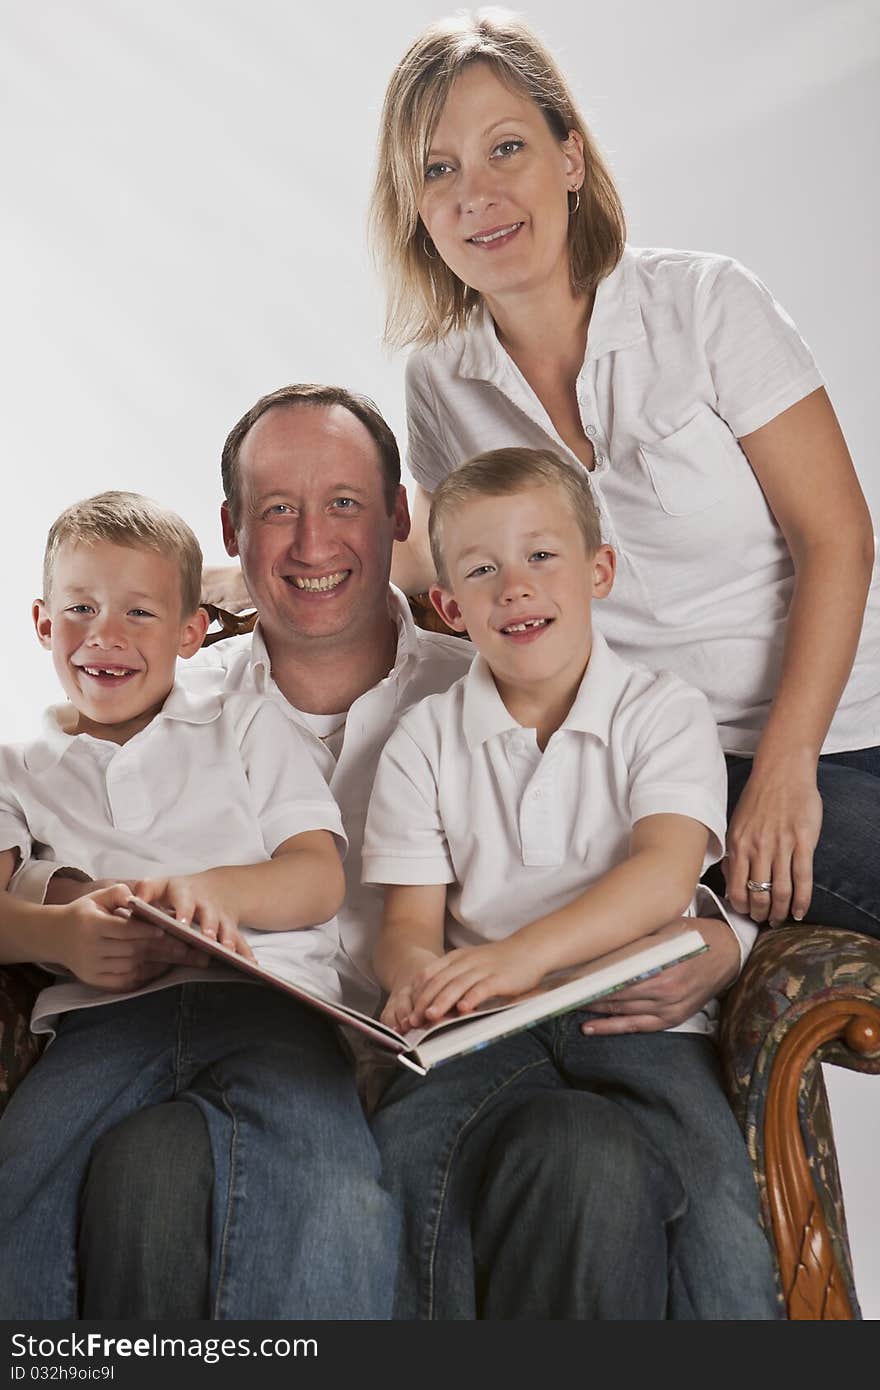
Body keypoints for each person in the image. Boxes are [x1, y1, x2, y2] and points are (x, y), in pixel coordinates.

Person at [16, 385, 751, 1318]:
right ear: (233, 532)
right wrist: (75, 899)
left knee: (600, 1168)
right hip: (262, 1056)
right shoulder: (166, 688)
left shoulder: (480, 673)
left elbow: (673, 863)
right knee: (154, 1170)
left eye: (346, 505)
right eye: (277, 510)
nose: (313, 544)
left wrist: (722, 942)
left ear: (400, 517)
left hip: (459, 1048)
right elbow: (54, 808)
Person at [370, 8, 880, 965]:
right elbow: (448, 550)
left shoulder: (705, 303)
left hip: (836, 736)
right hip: (641, 763)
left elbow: (838, 538)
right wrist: (254, 571)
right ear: (418, 212)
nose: (477, 194)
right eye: (439, 170)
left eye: (506, 148)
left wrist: (785, 765)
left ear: (570, 156)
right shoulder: (441, 378)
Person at [362, 446, 779, 1320]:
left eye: (541, 556)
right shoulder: (424, 739)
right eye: (482, 569)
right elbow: (406, 922)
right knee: (405, 1176)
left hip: (641, 1027)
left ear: (600, 571)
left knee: (724, 1231)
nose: (515, 586)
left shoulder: (662, 711)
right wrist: (417, 980)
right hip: (481, 1035)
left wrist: (522, 957)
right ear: (449, 605)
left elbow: (665, 874)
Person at [0, 489, 401, 1320]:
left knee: (334, 1195)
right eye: (80, 608)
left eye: (140, 614)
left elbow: (317, 875)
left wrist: (209, 893)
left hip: (267, 1006)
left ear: (190, 633)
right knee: (21, 1186)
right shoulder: (18, 761)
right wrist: (61, 937)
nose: (105, 636)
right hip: (103, 1018)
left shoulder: (244, 724)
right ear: (42, 623)